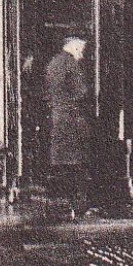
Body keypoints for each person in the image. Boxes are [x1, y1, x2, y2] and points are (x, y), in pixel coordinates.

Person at [45, 36, 94, 218]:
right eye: (82, 49)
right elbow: (81, 92)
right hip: (73, 120)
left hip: (57, 119)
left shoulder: (53, 63)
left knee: (62, 164)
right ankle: (78, 205)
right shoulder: (72, 64)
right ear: (73, 47)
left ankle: (62, 204)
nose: (83, 53)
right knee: (78, 165)